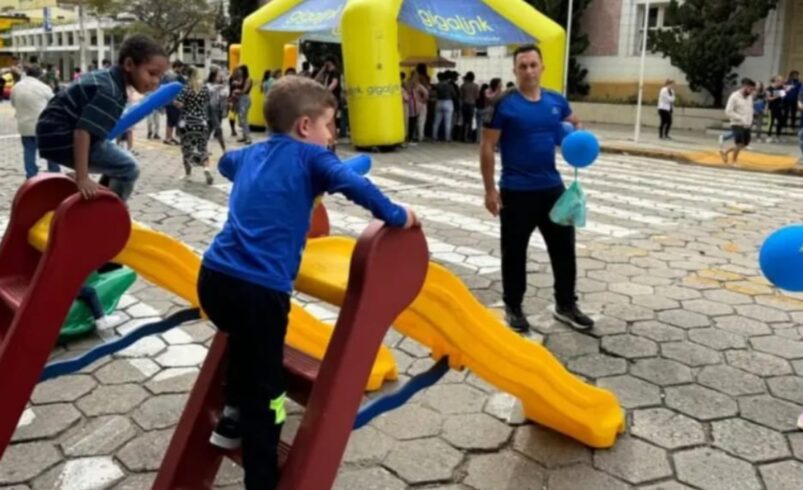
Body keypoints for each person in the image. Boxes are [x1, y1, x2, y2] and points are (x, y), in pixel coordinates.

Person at [200, 75, 419, 489]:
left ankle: (230, 417)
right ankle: (262, 478)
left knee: (244, 349)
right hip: (259, 291)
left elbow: (227, 163)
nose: (333, 134)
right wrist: (397, 215)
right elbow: (355, 184)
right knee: (268, 390)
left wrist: (267, 183)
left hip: (213, 279)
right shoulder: (312, 159)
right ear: (305, 127)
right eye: (330, 125)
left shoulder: (253, 155)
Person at [481, 44, 594, 333]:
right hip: (516, 191)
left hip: (552, 189)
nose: (529, 71)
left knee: (564, 249)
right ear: (515, 70)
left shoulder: (556, 101)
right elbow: (487, 146)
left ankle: (565, 305)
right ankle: (514, 307)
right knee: (514, 252)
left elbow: (573, 123)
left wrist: (576, 138)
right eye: (523, 66)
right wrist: (490, 190)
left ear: (542, 67)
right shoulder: (503, 104)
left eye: (533, 65)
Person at [36, 34, 169, 201]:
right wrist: (82, 177)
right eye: (152, 73)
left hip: (51, 134)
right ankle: (113, 211)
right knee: (128, 167)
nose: (156, 81)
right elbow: (82, 132)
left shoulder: (106, 78)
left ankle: (101, 203)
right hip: (62, 138)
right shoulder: (110, 92)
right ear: (129, 64)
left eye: (160, 76)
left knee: (117, 162)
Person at [11, 64, 60, 179]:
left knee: (28, 150)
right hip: (42, 125)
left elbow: (13, 103)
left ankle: (31, 175)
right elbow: (55, 102)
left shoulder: (16, 87)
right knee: (50, 149)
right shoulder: (43, 87)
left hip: (24, 125)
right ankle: (54, 172)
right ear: (39, 75)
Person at [175, 66, 213, 184]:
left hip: (187, 122)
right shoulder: (204, 88)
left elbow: (179, 104)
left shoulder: (185, 89)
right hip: (201, 121)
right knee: (202, 148)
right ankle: (206, 168)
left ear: (188, 76)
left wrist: (174, 101)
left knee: (187, 149)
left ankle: (188, 174)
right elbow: (207, 102)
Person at [720, 78, 757, 165]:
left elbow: (750, 109)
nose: (751, 91)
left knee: (744, 144)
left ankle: (726, 152)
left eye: (753, 89)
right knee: (739, 143)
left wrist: (750, 121)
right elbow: (728, 111)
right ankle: (734, 161)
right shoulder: (734, 96)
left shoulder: (750, 97)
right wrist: (739, 117)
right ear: (745, 87)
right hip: (737, 123)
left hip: (746, 123)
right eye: (750, 89)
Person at [163, 61, 185, 145]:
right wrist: (175, 101)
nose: (181, 69)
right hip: (173, 101)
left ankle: (169, 137)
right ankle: (168, 138)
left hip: (169, 101)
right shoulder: (174, 76)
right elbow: (174, 90)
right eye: (181, 67)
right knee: (172, 120)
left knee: (170, 120)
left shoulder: (168, 75)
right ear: (178, 67)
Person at [206, 68, 228, 152]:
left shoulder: (221, 86)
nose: (221, 77)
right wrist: (219, 87)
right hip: (211, 110)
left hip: (218, 110)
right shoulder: (209, 85)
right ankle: (224, 149)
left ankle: (203, 148)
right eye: (219, 75)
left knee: (209, 129)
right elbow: (210, 90)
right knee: (218, 129)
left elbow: (225, 94)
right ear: (213, 76)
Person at [232, 65, 253, 144]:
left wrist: (237, 91)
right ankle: (244, 136)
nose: (239, 71)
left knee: (243, 119)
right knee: (241, 119)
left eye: (240, 70)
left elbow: (244, 90)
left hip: (245, 99)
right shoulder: (241, 78)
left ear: (244, 70)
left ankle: (248, 138)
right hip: (240, 99)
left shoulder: (248, 79)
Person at [432, 72, 456, 142]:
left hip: (439, 102)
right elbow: (454, 95)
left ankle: (434, 137)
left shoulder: (438, 85)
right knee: (448, 122)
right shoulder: (450, 86)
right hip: (448, 102)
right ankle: (447, 138)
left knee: (436, 122)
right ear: (447, 78)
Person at [460, 72, 480, 142]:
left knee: (464, 121)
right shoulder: (476, 86)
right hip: (472, 104)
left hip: (465, 104)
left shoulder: (463, 85)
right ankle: (469, 137)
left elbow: (461, 96)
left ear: (467, 77)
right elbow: (477, 96)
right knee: (470, 121)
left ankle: (463, 137)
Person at [767, 75, 786, 142]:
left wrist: (784, 91)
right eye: (781, 81)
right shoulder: (769, 88)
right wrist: (777, 95)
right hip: (772, 107)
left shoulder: (781, 88)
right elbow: (769, 98)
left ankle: (778, 136)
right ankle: (768, 136)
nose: (782, 83)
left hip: (779, 107)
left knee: (780, 122)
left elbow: (783, 95)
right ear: (776, 81)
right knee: (771, 122)